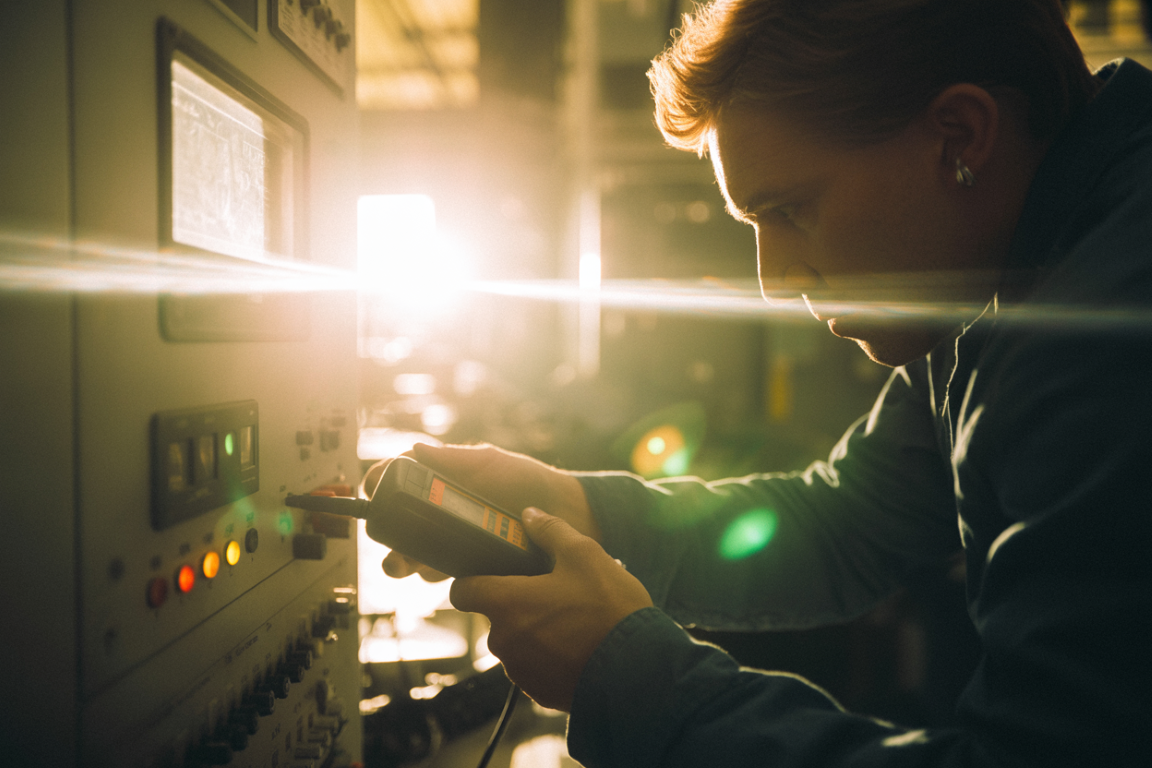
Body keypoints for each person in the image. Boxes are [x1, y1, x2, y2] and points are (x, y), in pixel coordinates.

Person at [384, 1, 1152, 765]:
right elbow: (848, 522)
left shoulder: (1101, 334)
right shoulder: (996, 271)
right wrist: (580, 512)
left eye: (791, 209)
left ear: (959, 135)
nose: (775, 283)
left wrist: (627, 677)